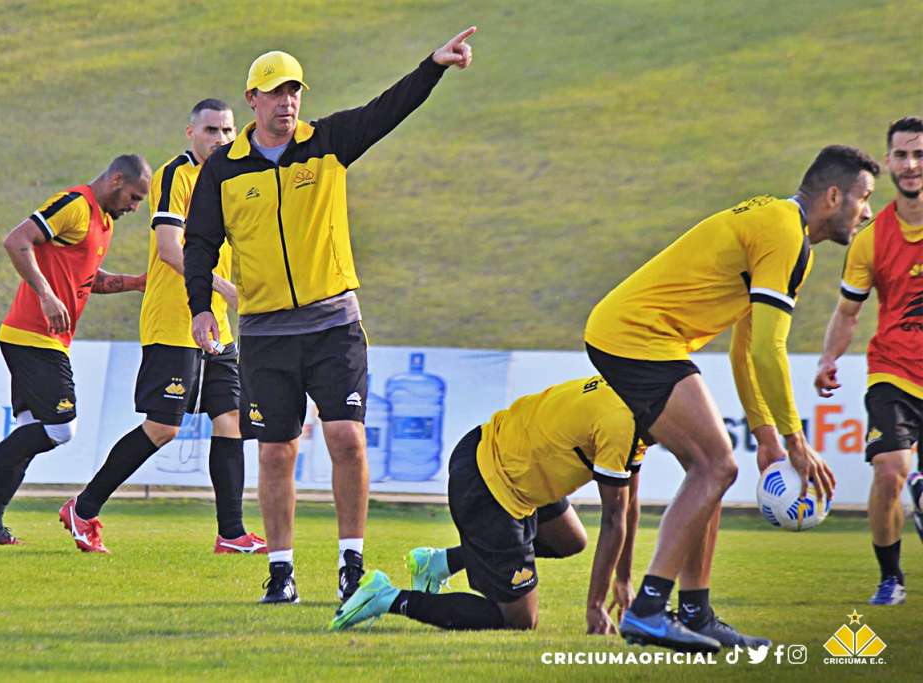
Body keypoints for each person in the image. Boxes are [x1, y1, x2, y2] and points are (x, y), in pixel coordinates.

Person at [183, 27, 476, 604]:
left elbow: (387, 110)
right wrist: (200, 308)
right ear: (253, 100)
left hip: (334, 324)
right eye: (276, 92)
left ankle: (350, 563)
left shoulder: (329, 141)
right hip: (266, 333)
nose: (287, 101)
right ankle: (282, 572)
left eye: (295, 90)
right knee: (275, 451)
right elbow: (198, 244)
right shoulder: (223, 170)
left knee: (346, 437)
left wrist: (433, 66)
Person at [584, 145, 875, 652]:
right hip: (636, 337)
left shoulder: (783, 230)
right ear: (833, 196)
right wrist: (794, 440)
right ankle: (649, 610)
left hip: (636, 336)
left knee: (711, 468)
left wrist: (765, 439)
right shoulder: (786, 234)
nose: (867, 211)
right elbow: (768, 350)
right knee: (716, 465)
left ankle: (695, 613)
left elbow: (745, 350)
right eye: (864, 197)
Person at [59, 101, 265, 554]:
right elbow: (172, 249)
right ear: (190, 132)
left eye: (228, 130)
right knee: (163, 427)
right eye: (211, 129)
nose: (220, 138)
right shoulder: (177, 176)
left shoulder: (233, 181)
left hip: (219, 330)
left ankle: (231, 533)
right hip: (175, 321)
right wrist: (225, 289)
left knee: (229, 420)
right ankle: (84, 508)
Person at [330, 376, 642, 633]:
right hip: (488, 482)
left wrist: (625, 579)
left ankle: (438, 564)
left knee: (569, 539)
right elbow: (614, 518)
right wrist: (595, 606)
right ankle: (386, 597)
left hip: (511, 464)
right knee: (519, 620)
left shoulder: (633, 403)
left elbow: (628, 507)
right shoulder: (621, 423)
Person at [0, 155, 151, 544]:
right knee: (60, 428)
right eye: (134, 197)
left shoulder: (103, 222)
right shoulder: (76, 204)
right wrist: (45, 295)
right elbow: (16, 239)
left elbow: (89, 279)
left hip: (46, 338)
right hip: (32, 335)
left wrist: (135, 282)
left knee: (29, 431)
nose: (135, 207)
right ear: (116, 179)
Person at [814, 116, 923, 606]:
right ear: (890, 162)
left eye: (919, 154)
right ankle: (891, 579)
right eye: (901, 155)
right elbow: (848, 311)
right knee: (890, 468)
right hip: (893, 371)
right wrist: (827, 358)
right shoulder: (871, 238)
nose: (911, 164)